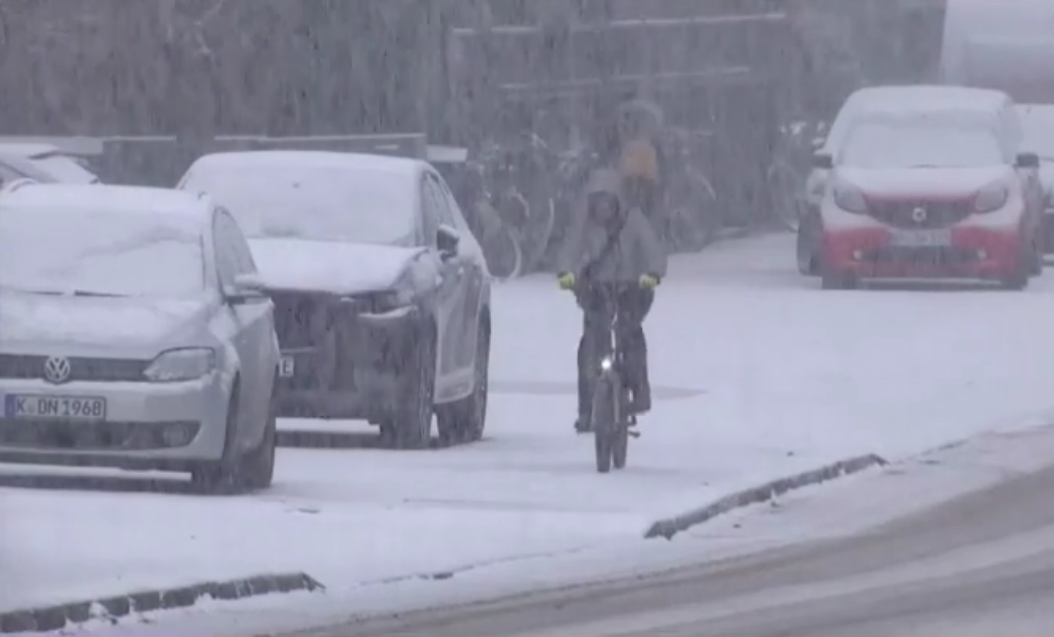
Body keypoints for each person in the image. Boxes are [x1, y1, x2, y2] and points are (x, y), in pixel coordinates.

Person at [556, 168, 668, 433]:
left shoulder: (634, 221)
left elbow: (653, 251)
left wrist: (651, 274)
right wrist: (566, 272)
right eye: (598, 203)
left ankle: (639, 389)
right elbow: (570, 248)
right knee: (591, 343)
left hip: (632, 289)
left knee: (630, 333)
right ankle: (587, 408)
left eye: (608, 202)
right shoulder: (585, 224)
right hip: (596, 290)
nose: (603, 208)